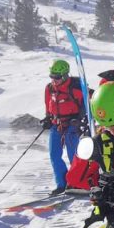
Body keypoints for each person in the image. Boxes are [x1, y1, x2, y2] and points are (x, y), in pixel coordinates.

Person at [42, 59, 85, 195]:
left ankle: (76, 183)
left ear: (65, 75)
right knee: (54, 155)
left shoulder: (76, 88)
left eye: (57, 77)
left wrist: (79, 119)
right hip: (56, 126)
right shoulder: (49, 89)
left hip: (72, 127)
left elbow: (88, 104)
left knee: (74, 156)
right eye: (52, 77)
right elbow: (48, 106)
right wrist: (48, 118)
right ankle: (62, 184)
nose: (54, 80)